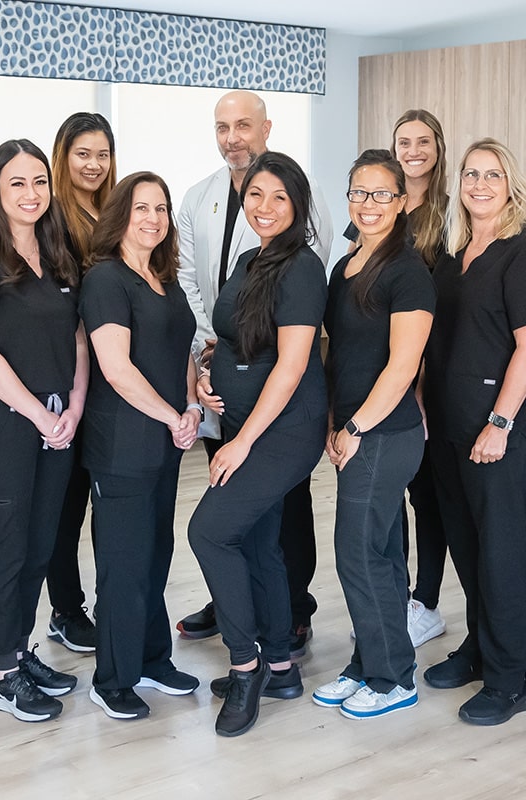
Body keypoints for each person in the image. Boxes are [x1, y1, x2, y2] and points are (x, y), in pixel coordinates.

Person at [176, 89, 333, 655]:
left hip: (277, 428)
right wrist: (208, 367)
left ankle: (255, 653)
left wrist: (241, 442)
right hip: (240, 416)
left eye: (278, 197)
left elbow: (291, 362)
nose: (264, 206)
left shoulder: (302, 265)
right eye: (256, 196)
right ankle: (277, 657)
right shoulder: (249, 257)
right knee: (259, 539)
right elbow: (223, 321)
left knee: (215, 530)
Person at [0, 139, 86, 722]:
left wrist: (73, 407)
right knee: (4, 550)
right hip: (3, 428)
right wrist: (40, 414)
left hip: (58, 425)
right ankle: (3, 675)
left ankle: (22, 652)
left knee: (38, 547)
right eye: (16, 183)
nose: (31, 194)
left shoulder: (59, 257)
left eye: (39, 182)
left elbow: (78, 338)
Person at [421, 138, 526, 727]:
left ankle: (512, 679)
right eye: (471, 174)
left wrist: (499, 423)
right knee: (467, 544)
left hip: (498, 430)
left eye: (492, 174)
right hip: (450, 426)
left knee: (501, 553)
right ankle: (481, 647)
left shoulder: (523, 253)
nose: (479, 184)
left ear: (511, 185)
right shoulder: (454, 256)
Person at [312, 149, 435, 720]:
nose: (369, 204)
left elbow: (403, 365)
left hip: (385, 434)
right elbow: (338, 353)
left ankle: (393, 679)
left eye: (382, 194)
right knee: (379, 553)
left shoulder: (408, 272)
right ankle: (368, 663)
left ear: (402, 202)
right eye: (359, 192)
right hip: (355, 430)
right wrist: (333, 422)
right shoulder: (345, 268)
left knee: (358, 554)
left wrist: (357, 425)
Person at [80, 172, 201, 720]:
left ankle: (152, 659)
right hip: (123, 446)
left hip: (165, 442)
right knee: (124, 565)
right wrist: (173, 415)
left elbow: (182, 352)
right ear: (120, 216)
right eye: (141, 208)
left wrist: (191, 405)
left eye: (161, 208)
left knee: (155, 554)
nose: (153, 218)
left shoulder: (163, 279)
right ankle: (113, 678)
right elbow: (116, 368)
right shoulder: (106, 279)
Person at [345, 109, 453, 648]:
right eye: (403, 142)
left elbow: (430, 318)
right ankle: (396, 600)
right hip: (386, 369)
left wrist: (418, 386)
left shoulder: (450, 213)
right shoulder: (372, 206)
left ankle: (423, 601)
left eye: (423, 142)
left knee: (426, 495)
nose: (413, 151)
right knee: (388, 507)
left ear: (438, 148)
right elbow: (356, 285)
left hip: (428, 364)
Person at [44, 111, 117, 654]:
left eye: (102, 154)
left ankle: (107, 603)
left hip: (113, 375)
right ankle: (66, 609)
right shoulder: (51, 216)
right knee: (65, 502)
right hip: (70, 374)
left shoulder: (114, 213)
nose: (93, 165)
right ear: (62, 157)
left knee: (101, 500)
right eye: (82, 154)